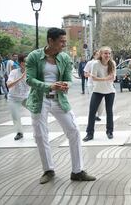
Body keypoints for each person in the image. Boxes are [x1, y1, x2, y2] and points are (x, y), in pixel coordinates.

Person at [26, 28, 95, 184]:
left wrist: (66, 84)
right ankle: (48, 170)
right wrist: (49, 86)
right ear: (50, 40)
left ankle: (77, 171)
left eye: (65, 41)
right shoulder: (34, 57)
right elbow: (29, 80)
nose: (64, 44)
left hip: (59, 99)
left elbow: (69, 78)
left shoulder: (64, 57)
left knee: (74, 131)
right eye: (61, 41)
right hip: (40, 99)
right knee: (40, 135)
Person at [83, 46, 116, 141]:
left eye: (109, 53)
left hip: (110, 91)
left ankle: (109, 131)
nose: (107, 55)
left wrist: (102, 79)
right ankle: (89, 134)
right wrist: (105, 78)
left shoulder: (112, 63)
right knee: (92, 111)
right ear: (101, 54)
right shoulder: (96, 64)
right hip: (97, 90)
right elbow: (93, 78)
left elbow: (113, 78)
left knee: (109, 111)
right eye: (105, 53)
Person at [7, 54, 29, 140]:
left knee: (37, 112)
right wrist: (20, 78)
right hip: (13, 98)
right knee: (15, 116)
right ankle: (19, 132)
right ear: (20, 63)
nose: (26, 63)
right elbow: (8, 85)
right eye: (24, 61)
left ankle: (39, 130)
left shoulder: (32, 72)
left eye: (28, 61)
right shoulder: (14, 72)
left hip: (26, 98)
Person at [84, 51, 102, 121]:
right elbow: (85, 73)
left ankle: (97, 114)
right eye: (97, 54)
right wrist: (92, 75)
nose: (98, 56)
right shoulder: (90, 63)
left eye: (99, 54)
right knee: (93, 99)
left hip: (99, 84)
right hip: (91, 84)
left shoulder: (100, 63)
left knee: (99, 100)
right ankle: (93, 115)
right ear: (94, 55)